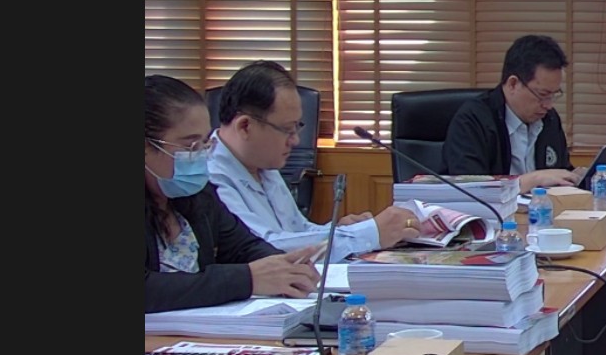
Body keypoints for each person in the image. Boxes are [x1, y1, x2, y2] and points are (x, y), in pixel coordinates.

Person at [209, 61, 420, 259]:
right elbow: (265, 249)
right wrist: (368, 234)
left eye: (297, 127)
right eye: (287, 129)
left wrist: (339, 230)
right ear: (245, 126)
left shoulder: (262, 163)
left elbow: (298, 231)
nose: (295, 140)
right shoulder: (210, 179)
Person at [145, 75, 321, 313]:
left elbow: (242, 246)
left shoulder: (197, 195)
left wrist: (285, 266)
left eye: (204, 143)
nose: (201, 155)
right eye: (190, 146)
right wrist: (246, 279)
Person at [442, 34, 586, 193]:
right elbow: (471, 188)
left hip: (542, 207)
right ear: (513, 84)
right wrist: (533, 179)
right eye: (543, 95)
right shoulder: (472, 120)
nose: (548, 105)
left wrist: (575, 176)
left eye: (553, 95)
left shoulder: (549, 119)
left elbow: (558, 170)